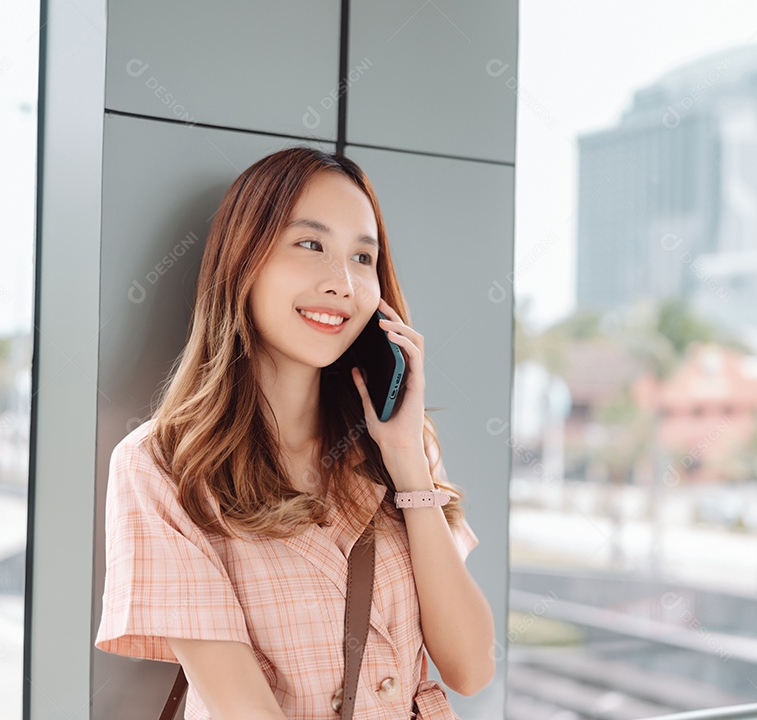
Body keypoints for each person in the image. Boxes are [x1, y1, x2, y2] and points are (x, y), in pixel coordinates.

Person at [94, 146, 495, 720]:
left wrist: (407, 461)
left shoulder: (397, 448)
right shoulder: (163, 467)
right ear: (244, 260)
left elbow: (472, 667)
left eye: (363, 257)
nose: (343, 283)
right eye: (310, 245)